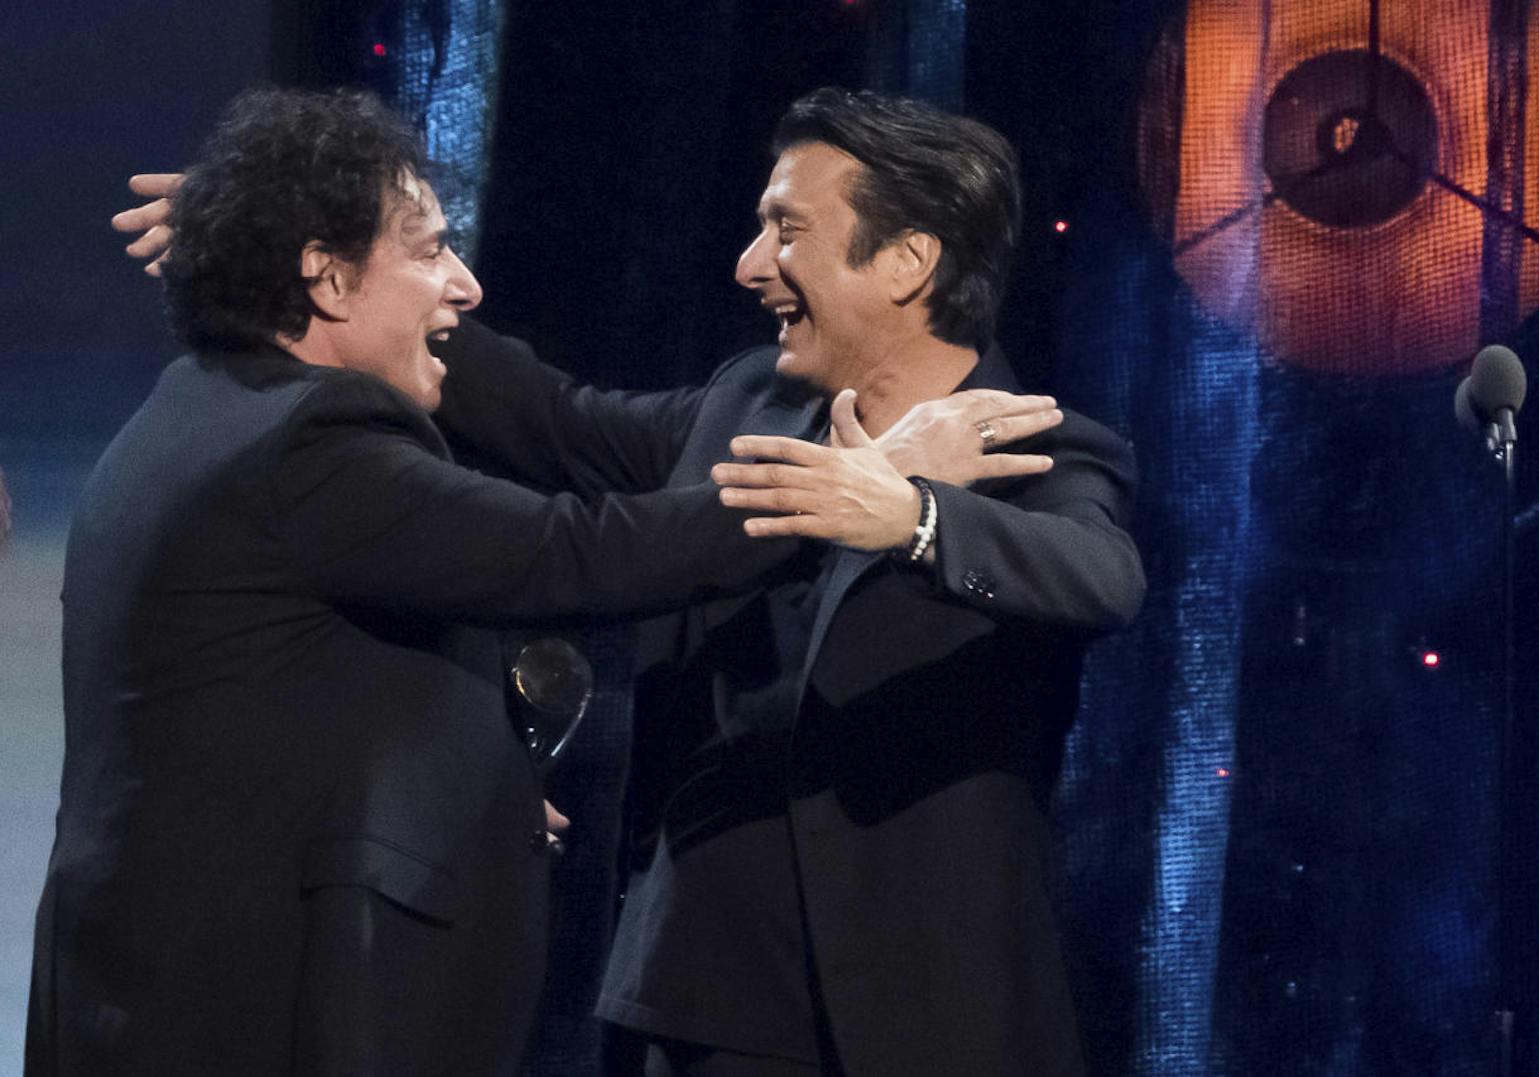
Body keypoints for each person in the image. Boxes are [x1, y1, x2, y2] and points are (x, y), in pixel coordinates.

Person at [42, 87, 1047, 1077]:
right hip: (247, 997)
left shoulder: (208, 408)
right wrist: (863, 488)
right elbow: (573, 553)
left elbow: (316, 678)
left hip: (155, 983)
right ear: (329, 281)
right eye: (431, 250)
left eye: (784, 230)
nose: (466, 284)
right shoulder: (313, 443)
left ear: (912, 260)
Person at [426, 90, 1145, 1076]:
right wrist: (320, 260)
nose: (749, 265)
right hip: (699, 997)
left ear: (907, 260)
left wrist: (913, 516)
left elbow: (1101, 575)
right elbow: (554, 421)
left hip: (920, 1021)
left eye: (785, 229)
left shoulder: (1030, 443)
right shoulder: (741, 403)